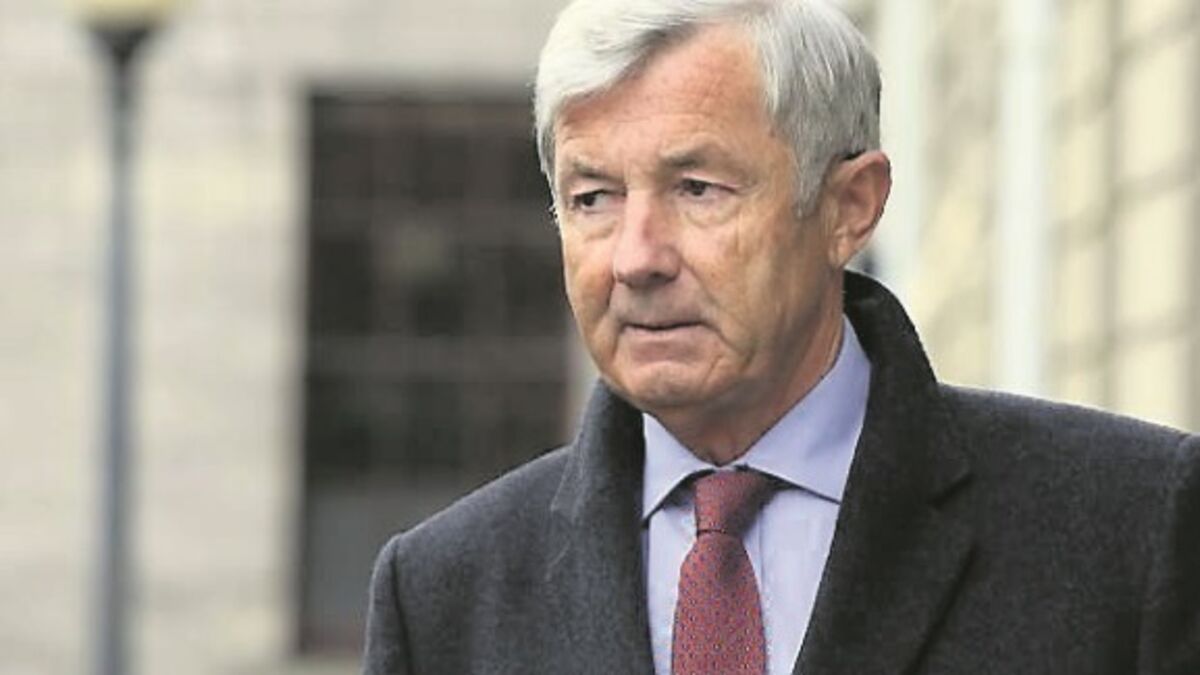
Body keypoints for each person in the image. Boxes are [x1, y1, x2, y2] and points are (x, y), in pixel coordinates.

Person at [362, 0, 1200, 672]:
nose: (636, 257)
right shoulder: (440, 597)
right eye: (593, 198)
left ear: (848, 208)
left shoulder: (1132, 527)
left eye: (697, 188)